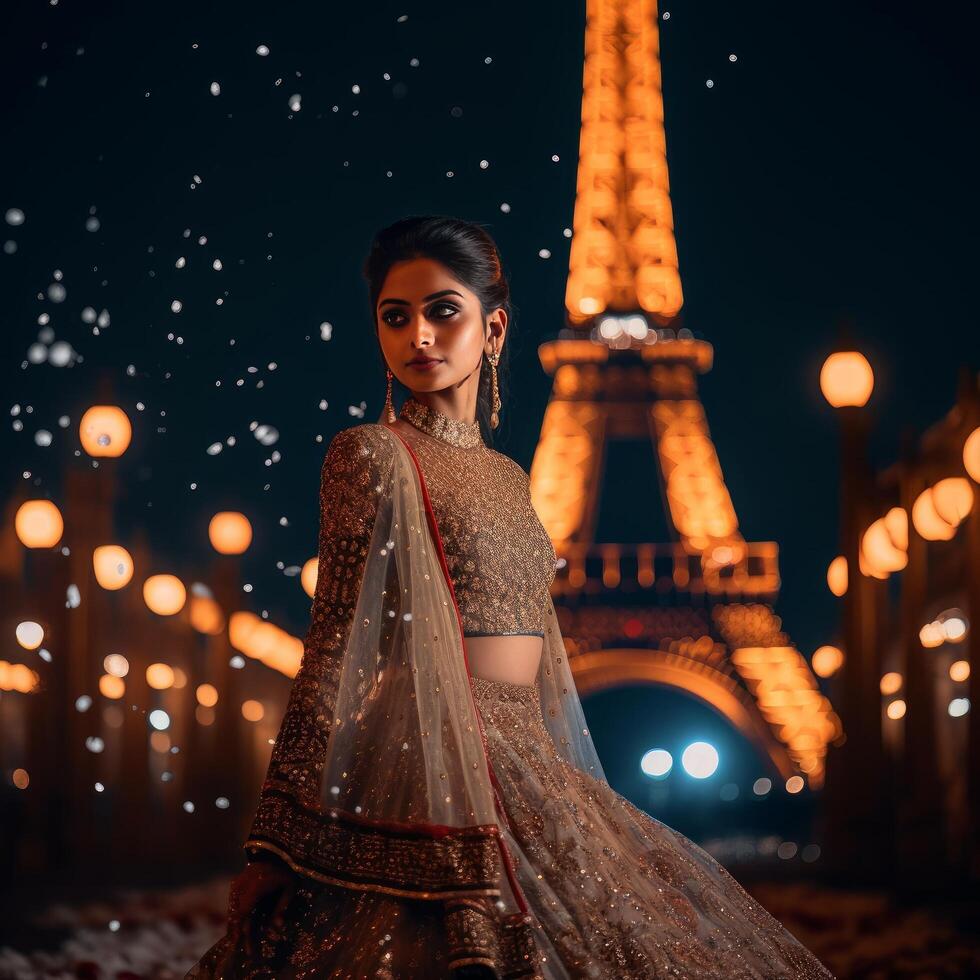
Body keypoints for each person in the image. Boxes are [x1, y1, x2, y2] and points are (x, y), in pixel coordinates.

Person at [188, 216, 835, 979]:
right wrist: (276, 838)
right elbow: (332, 651)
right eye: (396, 316)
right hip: (427, 770)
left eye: (442, 311)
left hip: (530, 774)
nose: (419, 335)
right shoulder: (370, 455)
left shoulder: (511, 480)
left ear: (493, 326)